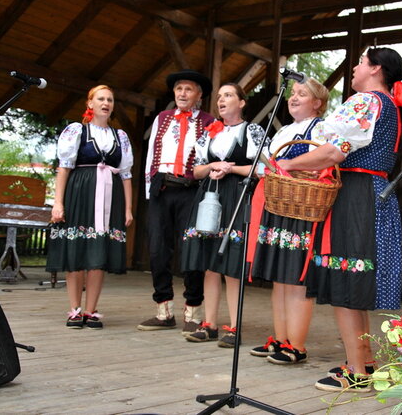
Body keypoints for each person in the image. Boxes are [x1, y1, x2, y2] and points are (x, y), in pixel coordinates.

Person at [275, 47, 402, 392]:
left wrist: (288, 164)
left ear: (376, 68)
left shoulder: (366, 101)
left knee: (346, 277)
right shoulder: (389, 106)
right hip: (373, 191)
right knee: (356, 278)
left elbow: (335, 151)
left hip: (356, 194)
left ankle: (356, 371)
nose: (355, 67)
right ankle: (363, 359)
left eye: (362, 62)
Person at [248, 78, 330, 364]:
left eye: (302, 94)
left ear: (317, 103)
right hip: (279, 203)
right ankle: (280, 339)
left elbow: (325, 161)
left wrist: (289, 169)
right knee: (280, 278)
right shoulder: (284, 131)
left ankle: (297, 344)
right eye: (292, 94)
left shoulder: (321, 129)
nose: (293, 98)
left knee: (296, 278)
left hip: (302, 207)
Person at [181, 83, 266, 348]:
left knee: (231, 265)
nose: (221, 100)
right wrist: (212, 167)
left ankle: (234, 326)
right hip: (209, 195)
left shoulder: (251, 130)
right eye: (219, 97)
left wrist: (231, 169)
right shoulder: (210, 132)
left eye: (228, 95)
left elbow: (265, 167)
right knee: (209, 263)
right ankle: (209, 324)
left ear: (241, 102)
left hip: (236, 196)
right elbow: (195, 171)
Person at [47, 84, 134, 329]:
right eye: (101, 99)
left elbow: (126, 175)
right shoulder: (77, 131)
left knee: (99, 253)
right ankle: (74, 309)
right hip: (80, 193)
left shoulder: (121, 137)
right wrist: (58, 202)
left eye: (110, 100)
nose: (106, 103)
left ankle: (91, 310)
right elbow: (64, 167)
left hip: (110, 198)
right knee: (76, 250)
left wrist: (128, 208)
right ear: (90, 104)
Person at [138, 70, 215, 335]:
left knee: (192, 250)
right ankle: (163, 311)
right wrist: (150, 192)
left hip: (191, 190)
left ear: (199, 95)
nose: (182, 94)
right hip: (161, 187)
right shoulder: (163, 118)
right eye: (179, 89)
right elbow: (151, 155)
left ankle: (193, 311)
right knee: (158, 249)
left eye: (188, 89)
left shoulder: (209, 121)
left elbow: (211, 156)